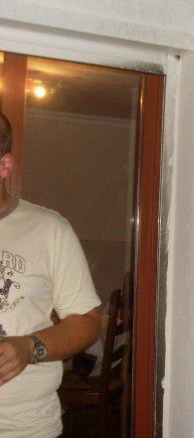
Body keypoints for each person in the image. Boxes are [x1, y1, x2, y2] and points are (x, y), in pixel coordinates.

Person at [0, 112, 101, 437]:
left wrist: (28, 347)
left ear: (4, 166)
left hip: (23, 426)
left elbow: (86, 321)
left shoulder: (50, 230)